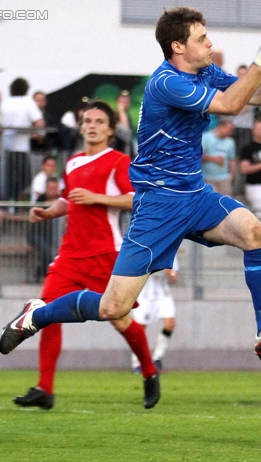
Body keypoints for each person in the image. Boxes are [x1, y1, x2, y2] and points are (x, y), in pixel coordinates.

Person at [0, 6, 261, 366]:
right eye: (201, 38)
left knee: (254, 232)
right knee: (113, 306)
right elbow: (232, 104)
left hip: (194, 196)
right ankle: (36, 315)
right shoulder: (165, 82)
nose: (210, 43)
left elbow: (258, 97)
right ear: (178, 46)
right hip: (158, 204)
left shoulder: (205, 70)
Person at [13, 100, 160, 410]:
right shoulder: (73, 162)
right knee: (47, 313)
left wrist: (97, 197)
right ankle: (45, 389)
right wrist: (46, 213)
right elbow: (70, 200)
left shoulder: (118, 161)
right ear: (81, 127)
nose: (92, 125)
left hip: (106, 255)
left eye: (98, 121)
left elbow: (135, 200)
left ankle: (149, 372)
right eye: (87, 121)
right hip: (69, 256)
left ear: (109, 130)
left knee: (121, 321)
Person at [130, 256, 179, 373]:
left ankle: (157, 359)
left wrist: (169, 274)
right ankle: (137, 363)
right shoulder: (146, 248)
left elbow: (174, 278)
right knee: (140, 328)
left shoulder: (171, 249)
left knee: (170, 323)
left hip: (163, 294)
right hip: (144, 294)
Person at [1, 77, 44, 200]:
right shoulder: (28, 102)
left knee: (7, 179)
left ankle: (8, 203)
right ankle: (16, 203)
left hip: (5, 147)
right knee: (24, 180)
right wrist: (32, 133)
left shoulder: (6, 102)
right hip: (21, 148)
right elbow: (39, 122)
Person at [28, 175, 62, 282]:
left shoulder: (62, 201)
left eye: (54, 188)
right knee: (47, 250)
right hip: (36, 234)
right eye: (50, 188)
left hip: (54, 235)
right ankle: (43, 273)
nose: (52, 191)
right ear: (46, 189)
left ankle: (45, 273)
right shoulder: (40, 199)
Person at [202, 117, 236, 196]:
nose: (230, 132)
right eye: (229, 129)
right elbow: (198, 156)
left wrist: (232, 176)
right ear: (221, 127)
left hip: (224, 178)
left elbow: (232, 160)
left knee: (226, 203)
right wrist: (213, 159)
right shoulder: (206, 138)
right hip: (208, 178)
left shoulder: (230, 142)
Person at [114, 90, 135, 155]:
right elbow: (125, 134)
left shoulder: (128, 116)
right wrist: (121, 111)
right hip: (118, 153)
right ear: (118, 102)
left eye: (127, 101)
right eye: (122, 101)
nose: (125, 102)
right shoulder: (114, 116)